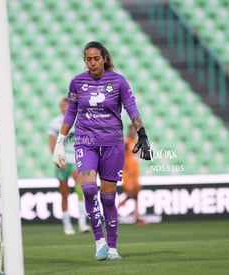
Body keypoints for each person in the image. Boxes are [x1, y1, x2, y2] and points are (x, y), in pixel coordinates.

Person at [53, 41, 152, 261]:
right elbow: (70, 113)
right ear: (84, 60)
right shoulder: (77, 82)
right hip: (85, 142)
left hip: (112, 144)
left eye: (96, 58)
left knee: (108, 198)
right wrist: (60, 141)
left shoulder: (118, 81)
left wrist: (142, 133)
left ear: (104, 58)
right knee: (88, 190)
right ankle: (99, 241)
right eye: (88, 59)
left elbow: (131, 108)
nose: (92, 62)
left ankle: (114, 248)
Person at [49, 98, 90, 235]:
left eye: (65, 106)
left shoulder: (79, 120)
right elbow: (52, 143)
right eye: (61, 106)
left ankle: (82, 223)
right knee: (64, 193)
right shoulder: (55, 122)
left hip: (75, 158)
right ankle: (67, 224)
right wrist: (58, 158)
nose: (63, 108)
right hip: (62, 159)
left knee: (79, 188)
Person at [118, 124, 146, 225]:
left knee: (136, 193)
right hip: (127, 173)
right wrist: (127, 168)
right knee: (130, 194)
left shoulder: (136, 143)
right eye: (132, 130)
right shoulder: (126, 142)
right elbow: (121, 155)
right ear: (129, 131)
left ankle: (137, 216)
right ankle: (116, 209)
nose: (134, 132)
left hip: (135, 173)